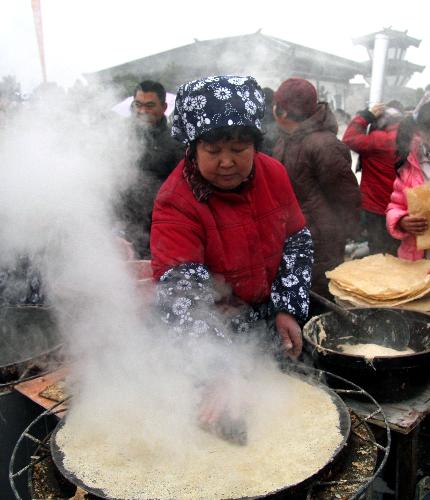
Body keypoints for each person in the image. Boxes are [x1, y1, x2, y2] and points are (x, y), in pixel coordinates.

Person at [150, 75, 314, 363]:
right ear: (193, 147)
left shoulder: (273, 174)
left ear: (255, 145)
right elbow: (181, 295)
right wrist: (217, 369)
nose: (226, 162)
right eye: (212, 151)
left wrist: (287, 308)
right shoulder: (175, 200)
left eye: (239, 150)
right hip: (213, 329)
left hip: (270, 315)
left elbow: (296, 242)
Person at [272, 77, 360, 297]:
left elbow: (347, 197)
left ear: (282, 112)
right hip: (294, 234)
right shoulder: (287, 139)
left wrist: (344, 234)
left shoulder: (324, 145)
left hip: (320, 241)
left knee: (318, 298)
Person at [118, 80, 184, 258]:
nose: (142, 111)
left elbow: (182, 189)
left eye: (149, 106)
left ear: (163, 107)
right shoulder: (120, 138)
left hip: (160, 228)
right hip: (126, 225)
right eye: (138, 105)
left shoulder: (174, 143)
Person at [342, 102, 403, 256]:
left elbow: (349, 138)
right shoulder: (410, 139)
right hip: (402, 207)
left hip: (376, 207)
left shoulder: (378, 140)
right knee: (399, 249)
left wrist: (365, 116)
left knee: (379, 251)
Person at [386, 101, 430, 260]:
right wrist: (402, 220)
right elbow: (395, 205)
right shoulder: (411, 164)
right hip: (417, 257)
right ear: (420, 132)